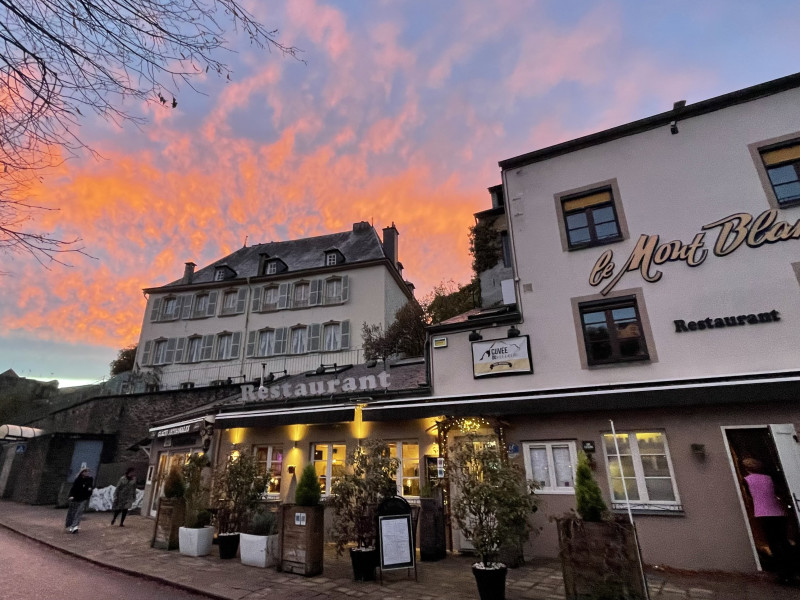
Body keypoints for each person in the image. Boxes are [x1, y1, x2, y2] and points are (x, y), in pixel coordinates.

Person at [742, 457, 797, 584]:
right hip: (778, 512)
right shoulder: (769, 478)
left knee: (773, 542)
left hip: (763, 513)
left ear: (746, 468)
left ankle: (783, 573)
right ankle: (792, 568)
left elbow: (750, 496)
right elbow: (778, 492)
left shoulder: (747, 480)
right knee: (783, 540)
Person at [65, 466, 94, 533]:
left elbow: (90, 488)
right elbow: (73, 488)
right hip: (75, 498)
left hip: (83, 498)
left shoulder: (89, 479)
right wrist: (71, 495)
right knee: (72, 512)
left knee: (79, 512)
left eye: (87, 471)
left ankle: (75, 526)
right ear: (82, 472)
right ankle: (70, 525)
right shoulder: (78, 480)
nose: (87, 473)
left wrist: (88, 494)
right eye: (85, 471)